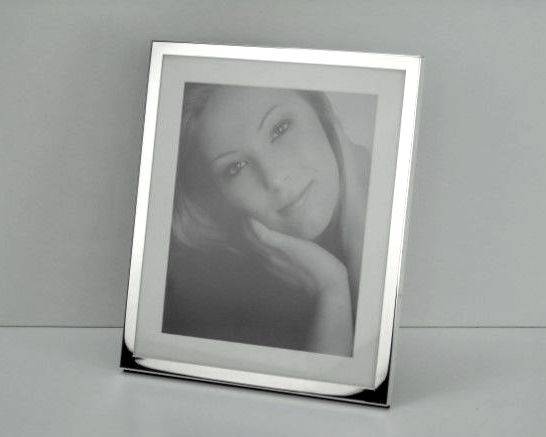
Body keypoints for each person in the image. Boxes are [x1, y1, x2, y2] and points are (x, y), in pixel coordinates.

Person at [163, 83, 370, 357]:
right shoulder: (209, 304)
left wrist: (359, 242)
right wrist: (331, 290)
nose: (273, 179)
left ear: (322, 114)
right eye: (235, 167)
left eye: (279, 129)